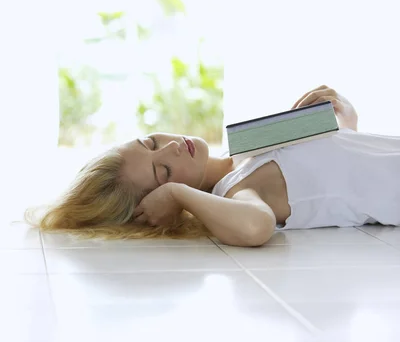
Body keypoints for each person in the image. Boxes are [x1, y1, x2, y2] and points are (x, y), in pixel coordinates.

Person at [25, 85, 400, 247]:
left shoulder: (246, 148)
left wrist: (342, 115)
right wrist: (178, 195)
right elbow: (257, 226)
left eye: (151, 142)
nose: (172, 148)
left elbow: (341, 162)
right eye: (164, 172)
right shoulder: (238, 189)